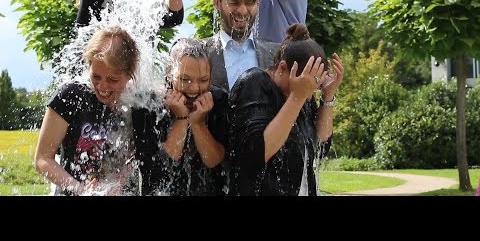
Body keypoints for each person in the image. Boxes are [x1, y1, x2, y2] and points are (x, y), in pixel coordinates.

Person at [228, 23, 344, 196]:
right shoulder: (254, 82)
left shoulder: (302, 92)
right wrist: (297, 97)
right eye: (305, 85)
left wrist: (327, 97)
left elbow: (320, 145)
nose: (308, 93)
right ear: (282, 68)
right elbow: (255, 157)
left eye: (314, 86)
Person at [34, 26, 140, 196]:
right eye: (96, 76)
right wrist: (83, 191)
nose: (102, 86)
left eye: (112, 79)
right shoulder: (71, 96)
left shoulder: (141, 103)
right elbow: (42, 159)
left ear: (130, 74)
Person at [133, 38, 229, 196]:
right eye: (185, 79)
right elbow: (157, 172)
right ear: (169, 75)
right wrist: (182, 120)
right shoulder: (148, 105)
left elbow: (215, 161)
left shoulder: (219, 100)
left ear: (211, 78)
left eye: (203, 80)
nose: (195, 88)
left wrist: (198, 124)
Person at [204, 0, 279, 91]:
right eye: (234, 3)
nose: (242, 11)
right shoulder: (200, 52)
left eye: (250, 3)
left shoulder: (276, 54)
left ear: (258, 4)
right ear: (217, 2)